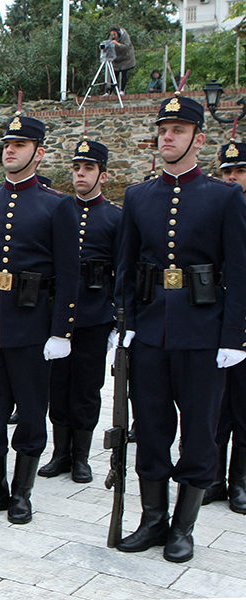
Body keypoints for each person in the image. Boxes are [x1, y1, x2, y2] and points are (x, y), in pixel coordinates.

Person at [115, 95, 246, 562]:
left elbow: (239, 270)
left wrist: (234, 336)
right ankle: (152, 520)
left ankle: (182, 527)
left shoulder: (226, 196)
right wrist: (124, 323)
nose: (167, 136)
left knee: (199, 433)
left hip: (203, 334)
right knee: (150, 427)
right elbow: (126, 268)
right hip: (151, 332)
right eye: (163, 129)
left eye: (177, 129)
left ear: (198, 138)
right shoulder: (138, 195)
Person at [0, 111, 79, 524]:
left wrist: (61, 330)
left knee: (30, 412)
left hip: (32, 324)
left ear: (39, 153)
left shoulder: (57, 206)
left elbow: (68, 274)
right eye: (7, 145)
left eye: (20, 145)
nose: (10, 150)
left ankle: (22, 491)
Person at [38, 137, 121, 484]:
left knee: (86, 386)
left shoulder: (116, 216)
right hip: (58, 312)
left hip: (95, 311)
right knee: (58, 385)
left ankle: (81, 456)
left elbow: (123, 267)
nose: (81, 175)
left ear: (102, 174)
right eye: (76, 168)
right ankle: (60, 452)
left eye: (88, 168)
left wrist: (118, 318)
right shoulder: (60, 209)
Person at [202, 136, 246, 513]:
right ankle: (214, 477)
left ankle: (241, 480)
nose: (232, 178)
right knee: (216, 406)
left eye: (241, 171)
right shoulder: (217, 210)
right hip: (219, 322)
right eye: (227, 171)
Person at [108, 26, 135, 94]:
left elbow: (126, 47)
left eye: (115, 34)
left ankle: (122, 90)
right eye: (112, 34)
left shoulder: (125, 36)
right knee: (114, 74)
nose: (113, 36)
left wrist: (117, 43)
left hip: (126, 57)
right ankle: (109, 91)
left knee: (124, 72)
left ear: (118, 33)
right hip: (117, 58)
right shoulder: (111, 38)